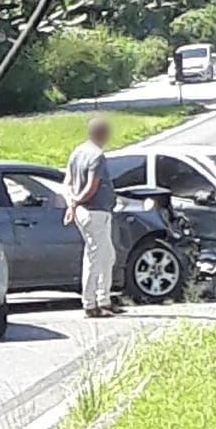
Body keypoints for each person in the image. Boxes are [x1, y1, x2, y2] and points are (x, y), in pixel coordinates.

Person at [64, 116, 119, 318]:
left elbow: (68, 182)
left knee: (108, 255)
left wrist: (72, 202)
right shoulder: (96, 156)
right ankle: (90, 304)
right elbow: (91, 187)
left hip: (91, 212)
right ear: (101, 133)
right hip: (94, 211)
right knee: (95, 258)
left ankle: (104, 299)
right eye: (106, 131)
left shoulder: (77, 152)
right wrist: (77, 202)